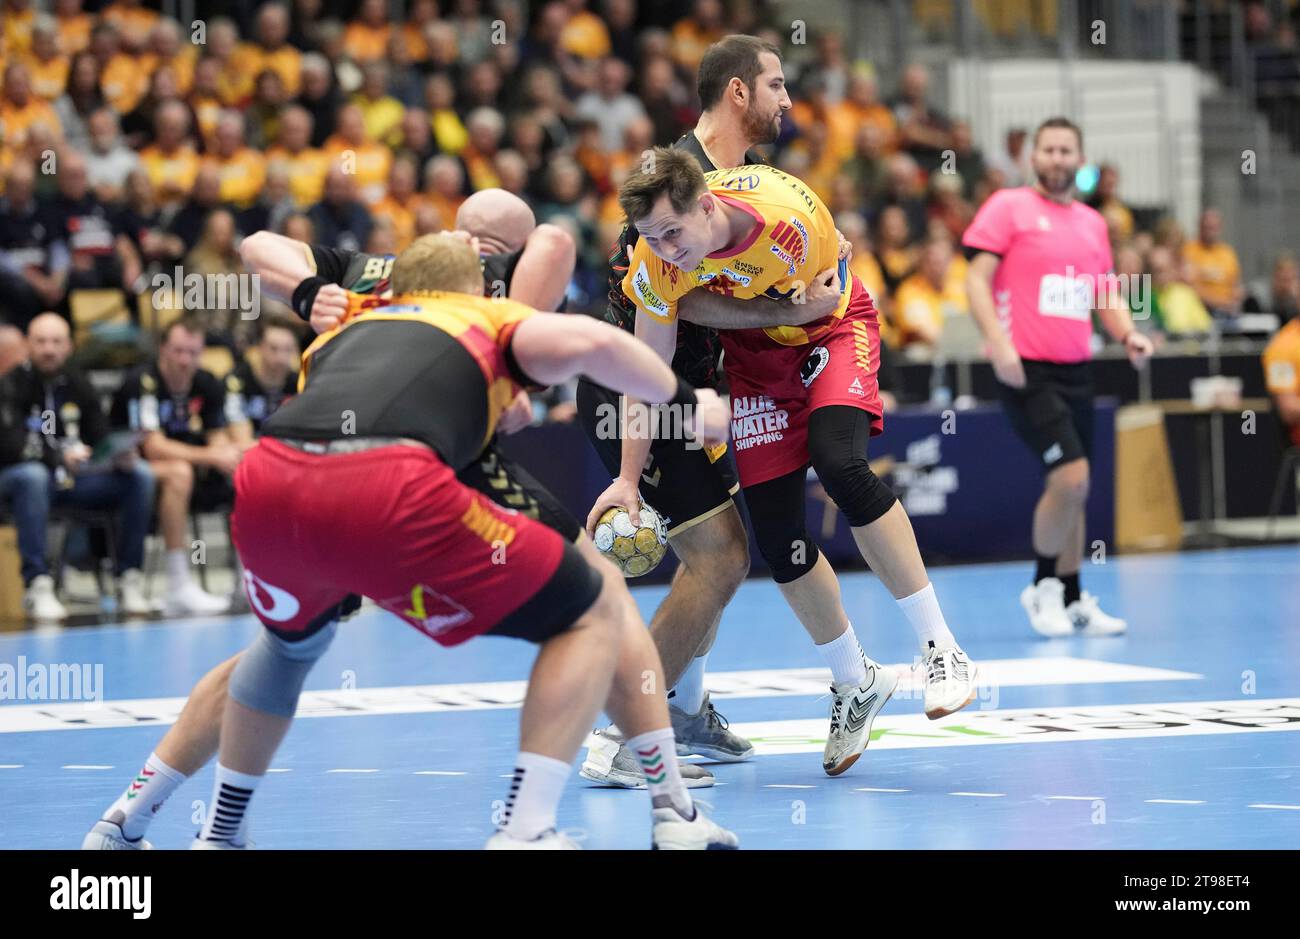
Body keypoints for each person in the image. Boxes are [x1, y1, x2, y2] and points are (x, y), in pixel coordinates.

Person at [192, 232, 737, 849]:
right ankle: (532, 826)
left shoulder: (352, 311)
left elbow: (257, 243)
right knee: (594, 611)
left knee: (285, 652)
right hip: (388, 481)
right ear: (479, 285)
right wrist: (691, 405)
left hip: (269, 479)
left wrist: (309, 292)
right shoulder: (487, 314)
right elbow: (590, 330)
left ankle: (212, 834)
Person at [615, 146, 981, 779]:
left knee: (839, 465)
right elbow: (644, 374)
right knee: (779, 539)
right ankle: (853, 681)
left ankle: (942, 649)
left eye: (674, 232)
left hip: (831, 330)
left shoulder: (787, 217)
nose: (666, 249)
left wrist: (793, 311)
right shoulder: (656, 258)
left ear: (706, 206)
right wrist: (625, 480)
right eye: (652, 238)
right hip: (757, 365)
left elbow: (824, 297)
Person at [578, 35, 846, 785]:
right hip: (640, 388)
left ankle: (685, 710)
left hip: (693, 396)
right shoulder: (669, 195)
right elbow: (662, 332)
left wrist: (826, 277)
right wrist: (629, 478)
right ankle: (627, 736)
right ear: (737, 92)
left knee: (720, 553)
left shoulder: (755, 186)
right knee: (722, 556)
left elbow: (783, 268)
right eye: (776, 85)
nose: (788, 100)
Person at [964, 116, 1153, 637]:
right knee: (1071, 477)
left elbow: (1105, 292)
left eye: (1066, 150)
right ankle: (1043, 586)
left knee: (1077, 484)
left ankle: (1073, 599)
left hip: (1077, 371)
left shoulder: (1092, 224)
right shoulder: (1008, 207)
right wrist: (999, 346)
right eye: (1048, 150)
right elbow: (975, 281)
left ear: (1080, 159)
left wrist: (1128, 333)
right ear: (1034, 157)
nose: (1057, 159)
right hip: (1026, 371)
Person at [16, 313, 157, 618]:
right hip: (28, 482)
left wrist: (117, 454)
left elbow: (100, 432)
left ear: (68, 346)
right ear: (28, 344)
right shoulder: (12, 384)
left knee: (140, 476)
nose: (49, 349)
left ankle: (128, 578)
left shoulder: (78, 382)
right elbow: (8, 444)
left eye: (56, 342)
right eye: (41, 341)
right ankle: (37, 584)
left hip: (75, 481)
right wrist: (56, 458)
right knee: (33, 476)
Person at [109, 316, 236, 616]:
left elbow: (217, 437)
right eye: (178, 351)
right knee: (179, 472)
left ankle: (249, 581)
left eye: (192, 352)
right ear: (162, 349)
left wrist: (226, 454)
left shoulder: (206, 383)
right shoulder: (143, 382)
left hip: (189, 468)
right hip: (129, 470)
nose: (184, 359)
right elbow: (154, 448)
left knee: (241, 469)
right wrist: (212, 456)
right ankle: (178, 585)